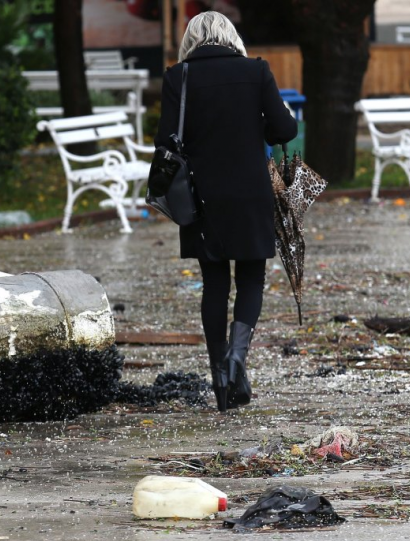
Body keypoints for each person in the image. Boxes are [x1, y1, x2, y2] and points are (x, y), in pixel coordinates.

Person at [154, 11, 297, 412]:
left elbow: (165, 141)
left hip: (200, 197)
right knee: (251, 279)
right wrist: (260, 129)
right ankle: (238, 358)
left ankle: (220, 377)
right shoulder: (256, 71)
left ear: (192, 39)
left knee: (214, 283)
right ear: (229, 36)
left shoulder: (176, 77)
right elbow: (285, 129)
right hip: (251, 192)